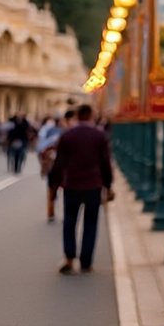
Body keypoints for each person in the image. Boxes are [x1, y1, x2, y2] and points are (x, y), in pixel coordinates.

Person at [49, 104, 113, 274]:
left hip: (72, 185)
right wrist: (108, 186)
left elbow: (59, 164)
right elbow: (105, 164)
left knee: (69, 222)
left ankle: (69, 258)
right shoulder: (100, 135)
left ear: (77, 116)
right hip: (93, 186)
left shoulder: (67, 136)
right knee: (90, 224)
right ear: (91, 115)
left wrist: (53, 186)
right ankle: (86, 262)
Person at [36, 114, 62, 221]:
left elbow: (40, 148)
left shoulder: (49, 131)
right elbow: (41, 147)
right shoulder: (54, 132)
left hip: (55, 165)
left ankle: (51, 211)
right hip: (55, 165)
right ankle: (51, 211)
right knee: (53, 188)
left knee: (53, 188)